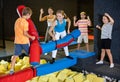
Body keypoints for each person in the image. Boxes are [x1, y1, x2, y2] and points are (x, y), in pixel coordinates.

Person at [10, 7, 35, 74]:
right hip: (24, 41)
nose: (29, 17)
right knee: (31, 53)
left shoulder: (17, 20)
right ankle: (33, 66)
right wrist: (31, 37)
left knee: (15, 56)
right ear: (28, 14)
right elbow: (25, 33)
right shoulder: (25, 22)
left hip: (17, 41)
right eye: (30, 16)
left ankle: (11, 70)